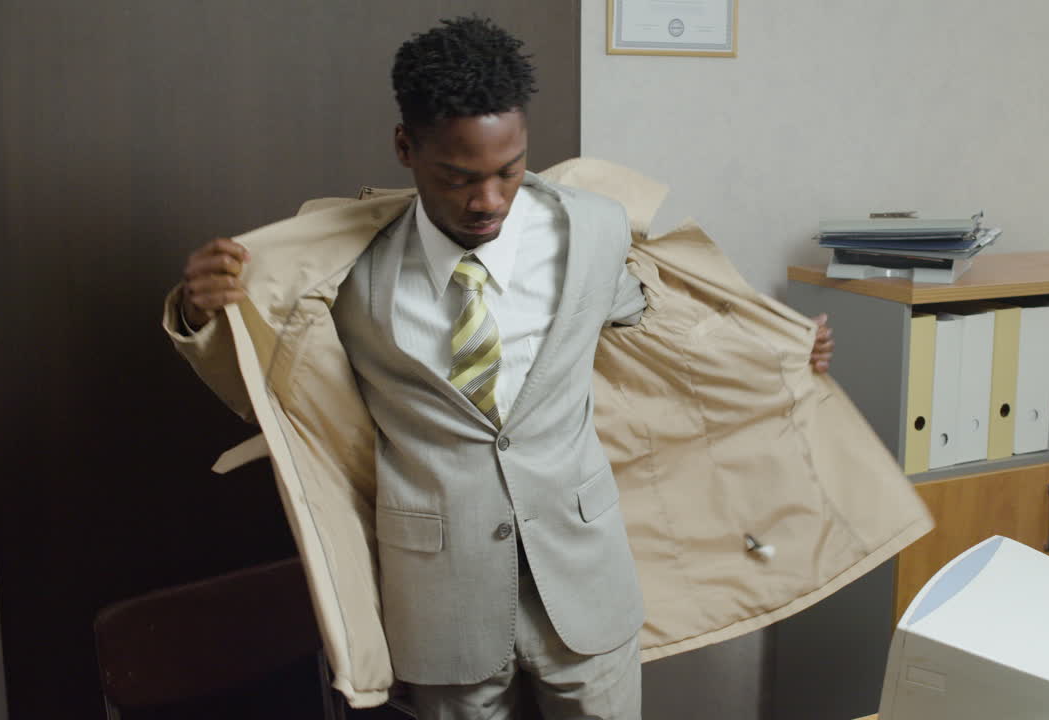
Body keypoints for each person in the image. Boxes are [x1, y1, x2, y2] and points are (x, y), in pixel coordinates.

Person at [176, 17, 833, 720]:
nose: (488, 200)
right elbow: (270, 379)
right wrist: (196, 311)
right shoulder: (346, 276)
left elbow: (669, 331)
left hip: (584, 579)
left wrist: (783, 352)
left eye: (509, 171)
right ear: (406, 147)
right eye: (458, 177)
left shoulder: (591, 232)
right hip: (440, 597)